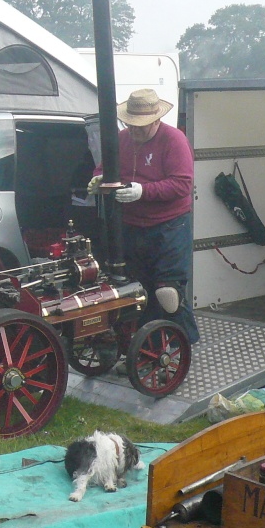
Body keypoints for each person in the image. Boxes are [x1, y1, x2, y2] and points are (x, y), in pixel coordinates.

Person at [88, 88, 199, 345]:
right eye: (131, 125)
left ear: (157, 120)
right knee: (138, 290)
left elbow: (182, 184)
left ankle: (185, 344)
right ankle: (149, 346)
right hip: (131, 226)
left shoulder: (174, 140)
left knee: (167, 293)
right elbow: (104, 169)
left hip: (169, 226)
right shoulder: (121, 139)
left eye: (142, 126)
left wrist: (143, 191)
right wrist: (99, 178)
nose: (135, 131)